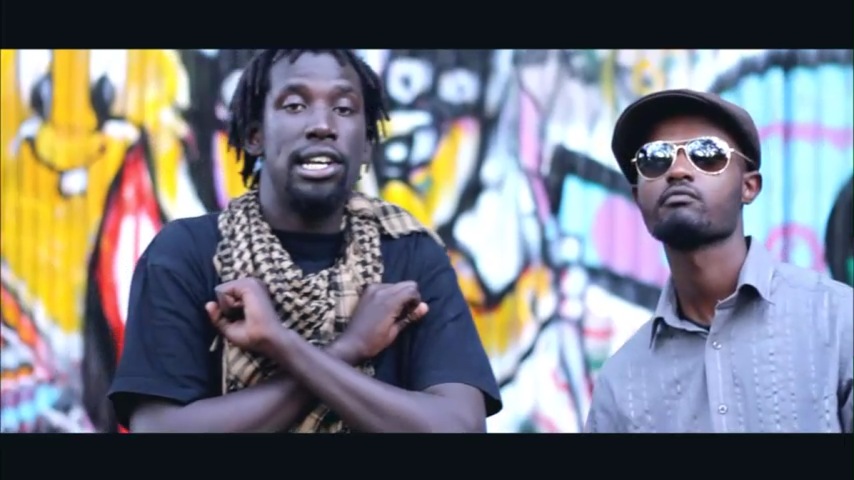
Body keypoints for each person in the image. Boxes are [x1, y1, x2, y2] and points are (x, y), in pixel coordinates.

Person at [107, 49, 502, 433]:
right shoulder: (187, 253)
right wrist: (349, 347)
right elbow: (158, 428)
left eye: (344, 108)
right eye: (295, 105)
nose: (322, 125)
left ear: (366, 144)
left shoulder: (411, 255)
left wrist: (283, 345)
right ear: (255, 135)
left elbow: (460, 426)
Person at [584, 88, 853, 433]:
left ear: (748, 187)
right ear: (638, 196)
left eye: (707, 154)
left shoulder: (837, 322)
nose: (678, 170)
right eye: (655, 158)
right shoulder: (621, 384)